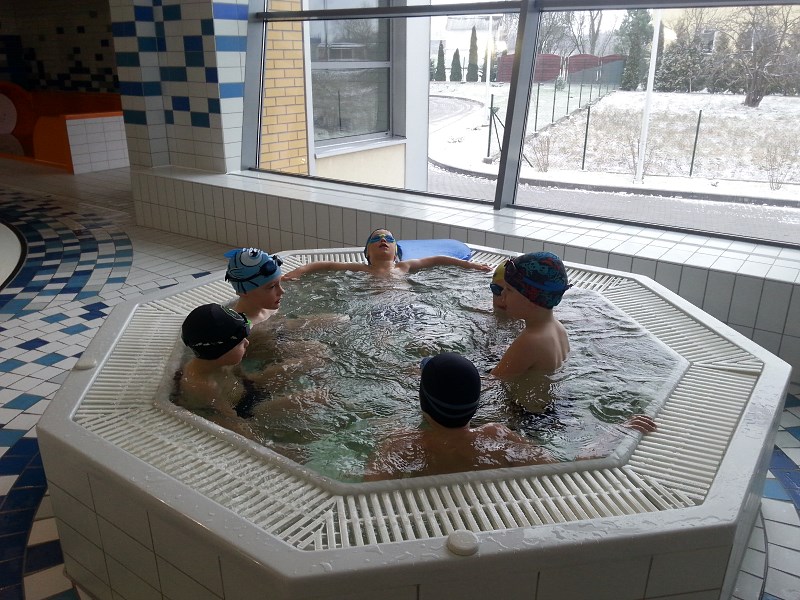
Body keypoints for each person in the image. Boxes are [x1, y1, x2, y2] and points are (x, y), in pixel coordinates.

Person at [364, 353, 657, 481]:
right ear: (476, 403)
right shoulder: (496, 436)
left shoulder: (400, 445)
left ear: (422, 401)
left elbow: (368, 498)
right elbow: (564, 468)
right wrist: (614, 433)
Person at [174, 303, 328, 438]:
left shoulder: (226, 361)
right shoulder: (202, 385)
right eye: (240, 342)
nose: (247, 343)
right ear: (221, 350)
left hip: (248, 390)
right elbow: (232, 420)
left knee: (312, 364)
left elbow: (247, 379)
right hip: (245, 411)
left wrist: (271, 383)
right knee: (316, 399)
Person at [282, 229, 492, 280]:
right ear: (367, 252)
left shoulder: (404, 266)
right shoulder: (361, 269)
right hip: (374, 307)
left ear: (395, 253)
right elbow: (326, 265)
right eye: (376, 239)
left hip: (405, 306)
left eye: (389, 239)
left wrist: (470, 266)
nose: (383, 240)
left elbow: (438, 259)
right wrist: (299, 271)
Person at [491, 252, 572, 378]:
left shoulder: (530, 341)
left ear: (531, 299)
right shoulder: (558, 328)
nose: (502, 294)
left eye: (509, 290)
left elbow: (492, 381)